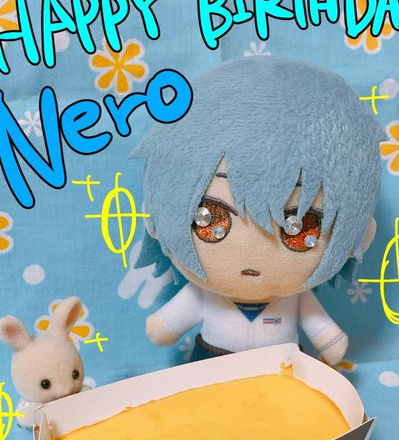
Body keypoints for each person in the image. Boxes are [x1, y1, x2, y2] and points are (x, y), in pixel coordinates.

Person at [132, 57, 384, 364]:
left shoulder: (296, 300)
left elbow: (324, 333)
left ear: (360, 234)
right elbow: (163, 329)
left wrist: (329, 342)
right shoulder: (203, 296)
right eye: (211, 219)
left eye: (299, 227)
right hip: (211, 365)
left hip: (282, 368)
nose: (251, 258)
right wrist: (164, 327)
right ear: (156, 220)